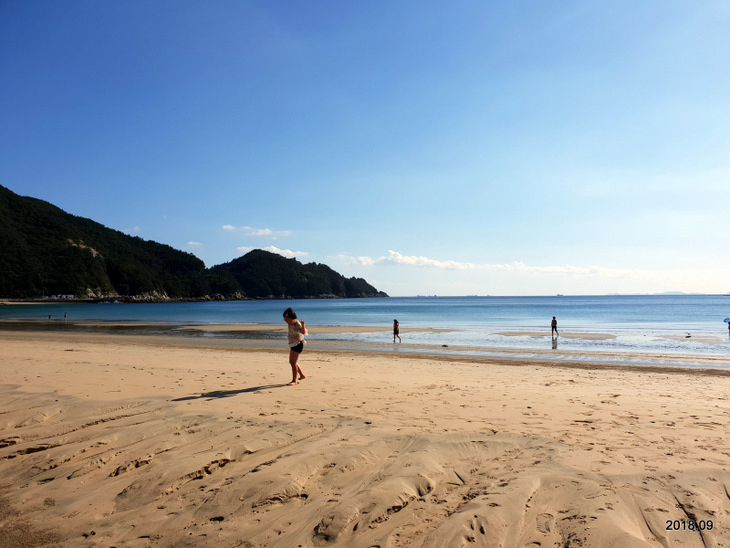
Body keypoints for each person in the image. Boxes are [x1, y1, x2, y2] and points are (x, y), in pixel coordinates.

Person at [283, 308, 307, 385]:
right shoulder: (290, 323)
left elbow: (303, 332)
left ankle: (294, 381)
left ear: (291, 318)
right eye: (284, 319)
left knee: (293, 363)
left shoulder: (296, 324)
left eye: (286, 319)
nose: (285, 320)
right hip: (293, 344)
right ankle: (302, 375)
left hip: (298, 344)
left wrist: (303, 325)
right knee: (293, 362)